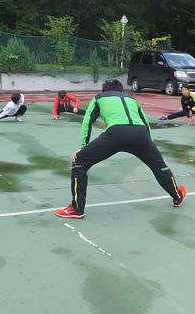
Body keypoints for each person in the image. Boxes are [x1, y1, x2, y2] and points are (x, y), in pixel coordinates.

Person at [55, 79, 186, 219]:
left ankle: (77, 209)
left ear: (104, 91)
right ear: (122, 91)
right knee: (160, 167)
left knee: (79, 162)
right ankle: (177, 197)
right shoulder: (132, 100)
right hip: (141, 135)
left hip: (116, 134)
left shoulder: (99, 97)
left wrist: (83, 148)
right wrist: (154, 151)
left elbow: (88, 121)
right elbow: (146, 124)